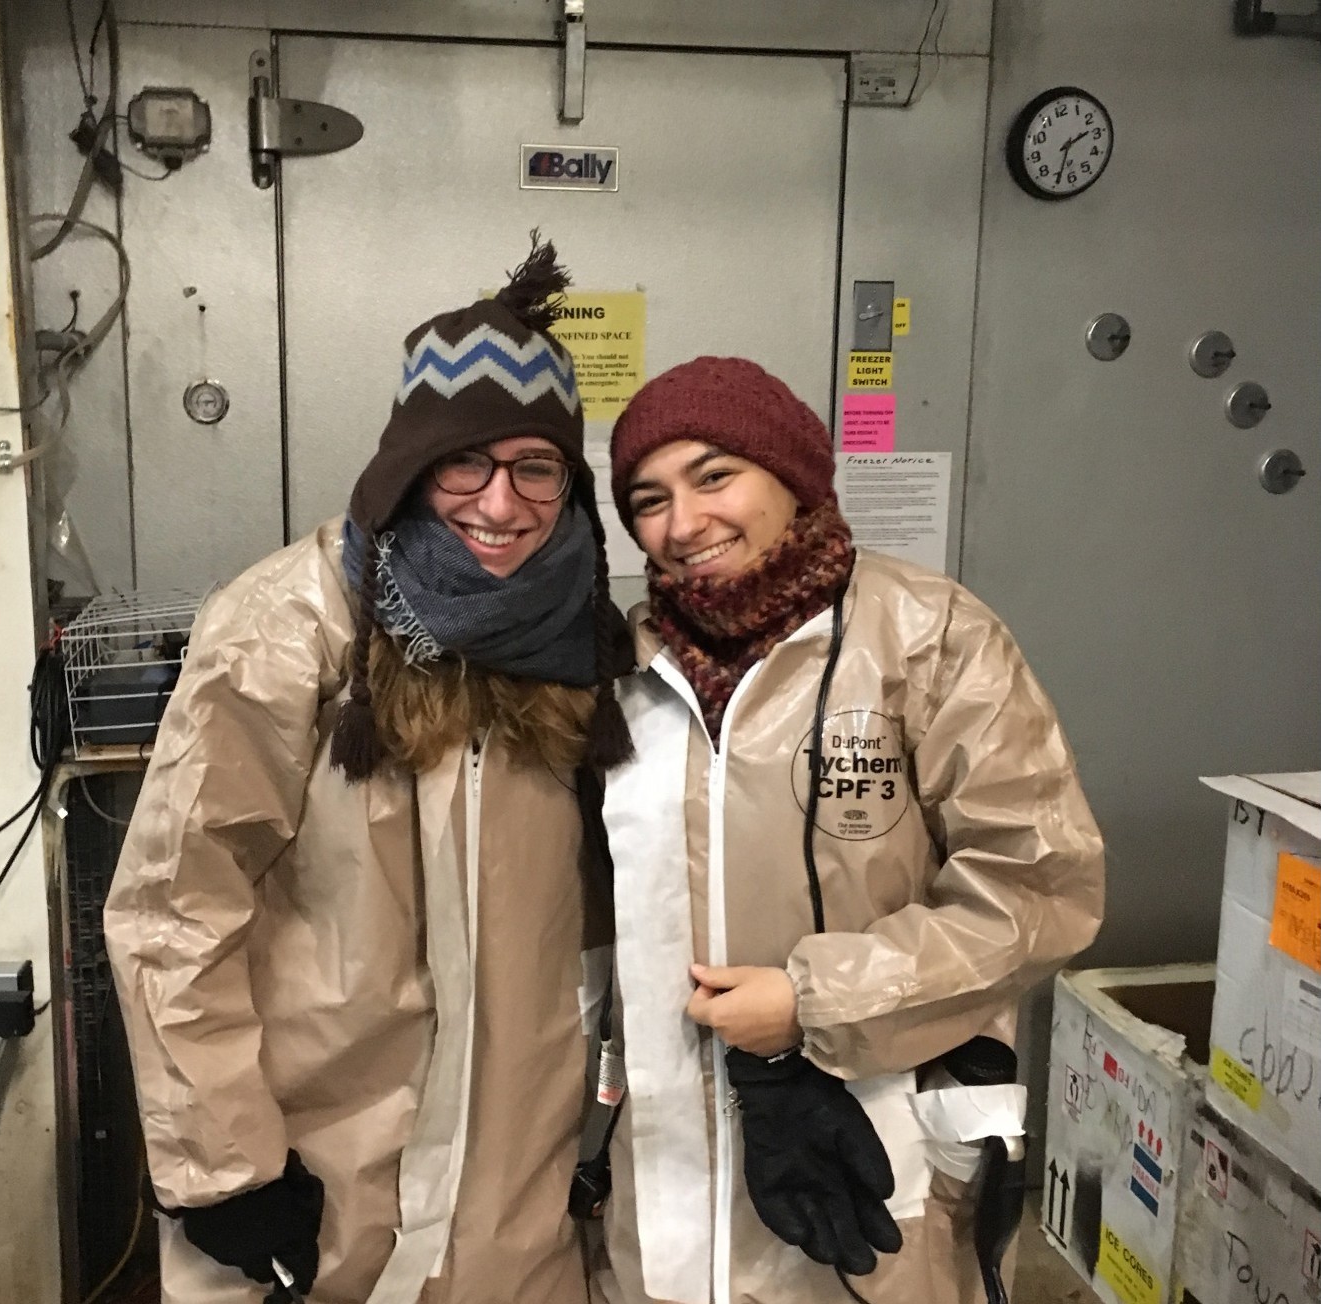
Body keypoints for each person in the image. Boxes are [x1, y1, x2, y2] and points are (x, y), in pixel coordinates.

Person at [104, 236, 633, 1304]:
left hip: (514, 1192)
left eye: (537, 467)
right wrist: (223, 1169)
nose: (500, 504)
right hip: (314, 1184)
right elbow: (175, 903)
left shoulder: (589, 639)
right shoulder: (290, 625)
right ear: (409, 464)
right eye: (465, 462)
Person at [592, 356, 1105, 1304]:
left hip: (872, 1126)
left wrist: (814, 1001)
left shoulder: (930, 637)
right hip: (659, 1159)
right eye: (647, 498)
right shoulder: (621, 670)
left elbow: (1038, 887)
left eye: (714, 476)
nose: (683, 523)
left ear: (790, 476)